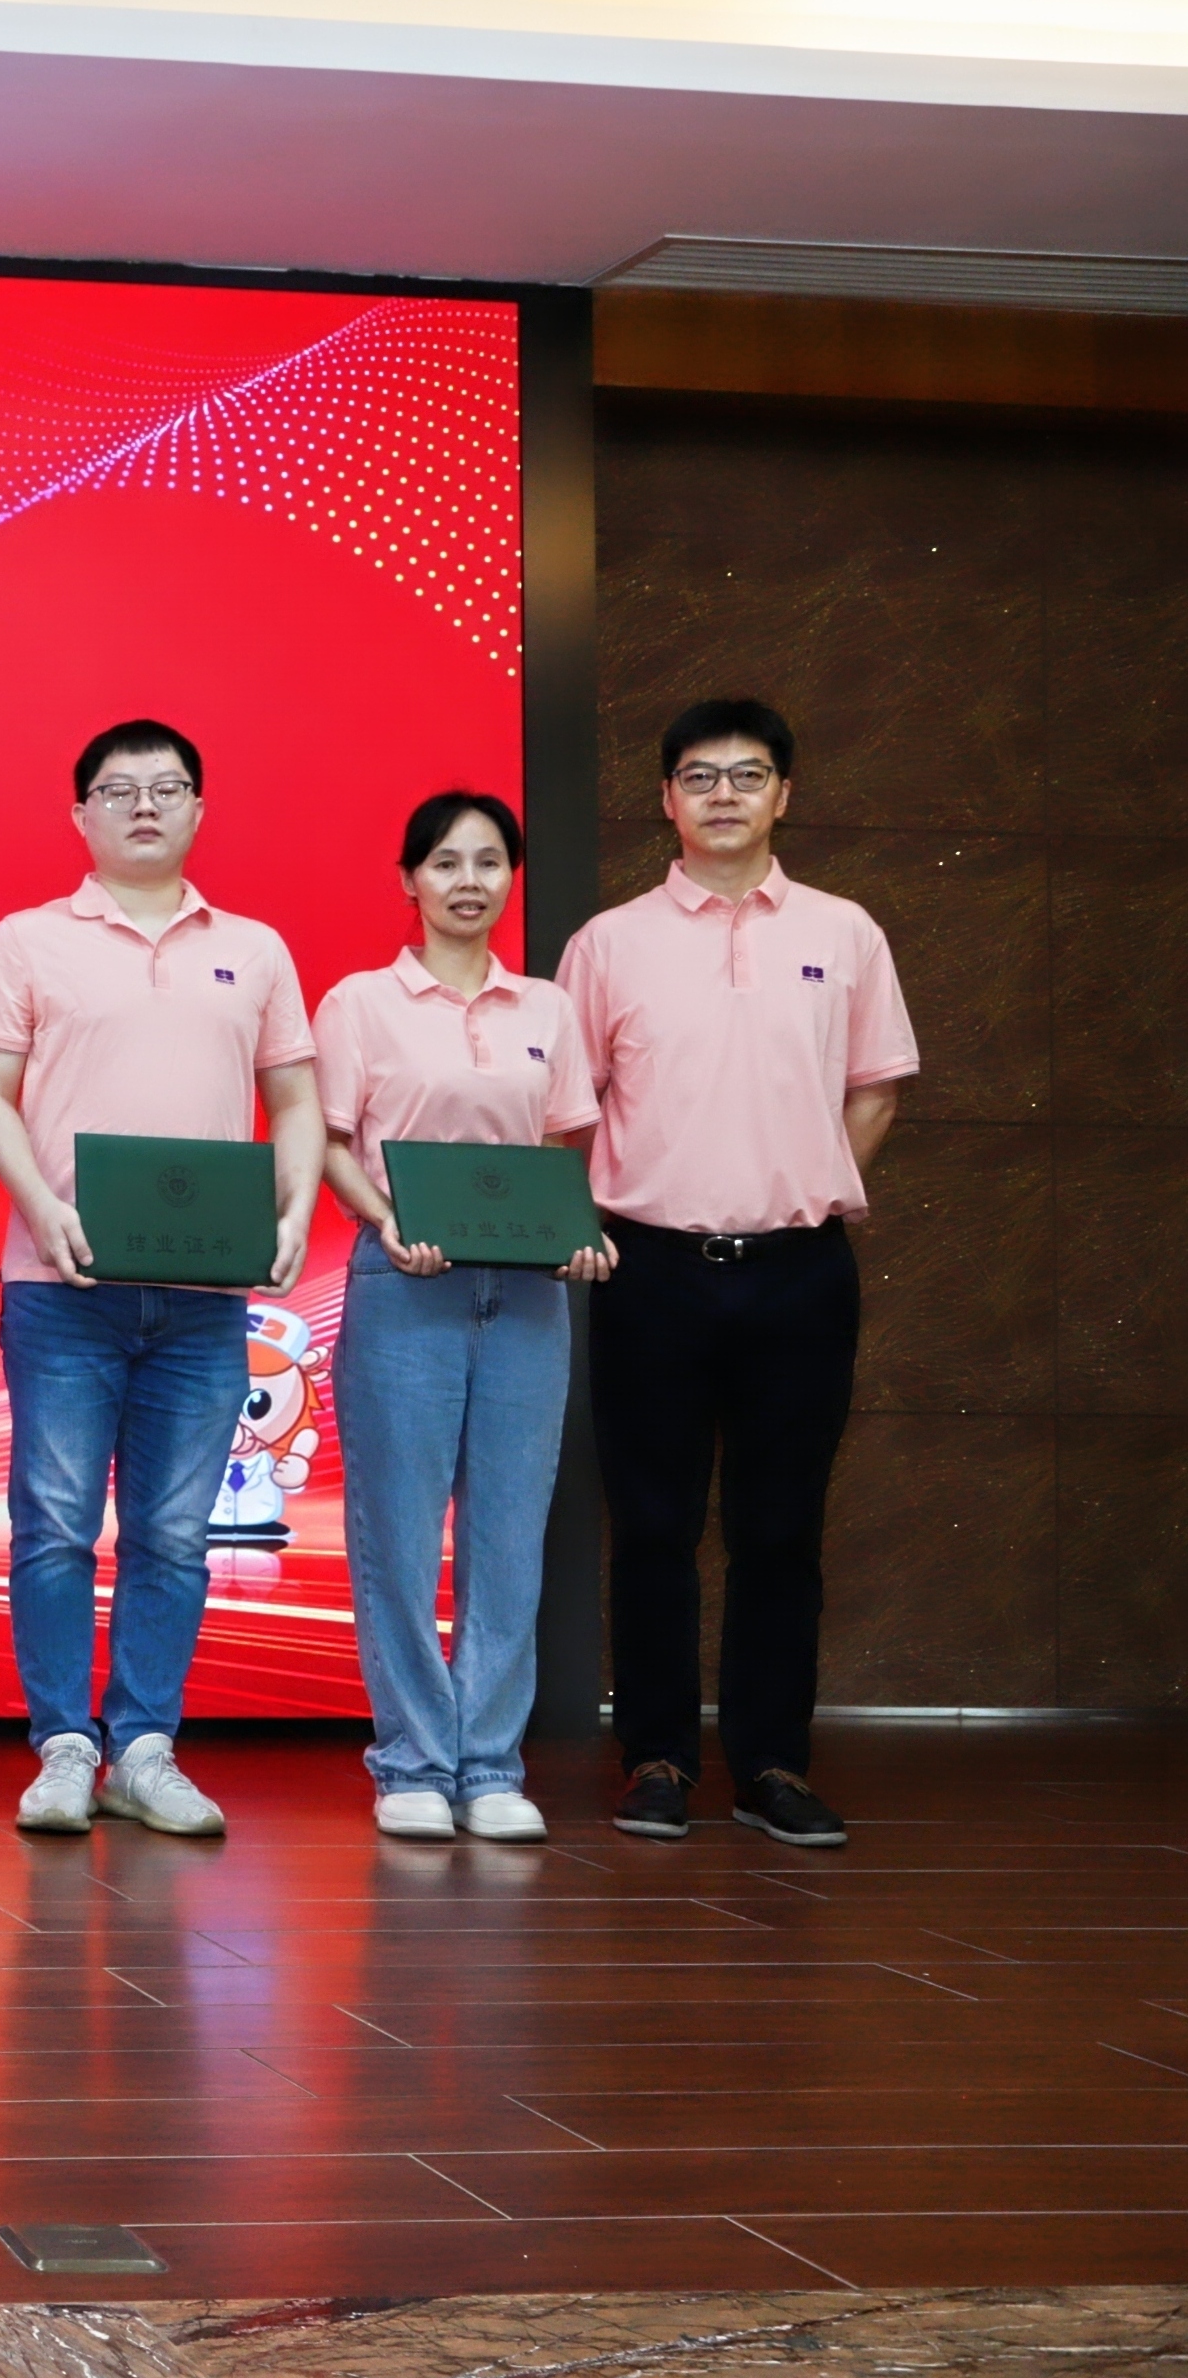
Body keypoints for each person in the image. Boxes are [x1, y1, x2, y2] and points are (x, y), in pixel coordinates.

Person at [559, 699, 914, 1849]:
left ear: (783, 794)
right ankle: (657, 1756)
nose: (724, 794)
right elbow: (567, 1107)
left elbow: (875, 1089)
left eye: (747, 774)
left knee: (782, 1527)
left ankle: (771, 1763)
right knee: (652, 1524)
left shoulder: (844, 930)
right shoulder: (608, 942)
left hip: (800, 1273)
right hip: (649, 1269)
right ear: (666, 798)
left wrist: (806, 1183)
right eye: (700, 776)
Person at [0, 718, 322, 1840]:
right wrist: (42, 1207)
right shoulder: (28, 940)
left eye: (167, 788)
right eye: (118, 790)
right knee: (55, 1525)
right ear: (79, 813)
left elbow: (297, 1100)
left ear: (199, 809)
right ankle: (65, 1745)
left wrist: (294, 1211)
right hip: (61, 1284)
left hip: (206, 1297)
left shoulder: (254, 949)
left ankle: (146, 1746)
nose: (145, 806)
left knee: (173, 1532)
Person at [314, 792, 611, 1846]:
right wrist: (385, 1217)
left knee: (509, 1535)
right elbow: (331, 1141)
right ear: (410, 879)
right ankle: (410, 1761)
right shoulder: (360, 1003)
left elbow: (564, 1146)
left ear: (510, 879)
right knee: (397, 1533)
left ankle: (489, 1764)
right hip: (407, 1279)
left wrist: (575, 1231)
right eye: (445, 862)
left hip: (527, 1292)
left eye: (489, 861)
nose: (469, 881)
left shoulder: (547, 1008)